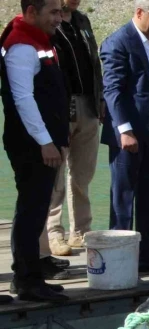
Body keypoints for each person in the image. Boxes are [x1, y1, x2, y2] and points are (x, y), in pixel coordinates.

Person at [100, 0, 149, 274]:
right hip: (128, 135)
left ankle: (146, 253)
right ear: (139, 12)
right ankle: (120, 258)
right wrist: (124, 130)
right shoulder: (117, 42)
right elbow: (112, 90)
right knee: (123, 197)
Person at [0, 0, 69, 302]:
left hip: (42, 141)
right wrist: (45, 141)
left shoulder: (40, 41)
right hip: (31, 144)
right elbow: (23, 99)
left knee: (36, 207)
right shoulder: (23, 47)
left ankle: (29, 274)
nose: (59, 18)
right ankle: (26, 279)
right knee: (31, 208)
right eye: (53, 12)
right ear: (31, 12)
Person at [43, 0, 103, 256]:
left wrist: (100, 98)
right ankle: (54, 232)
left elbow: (94, 61)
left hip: (88, 104)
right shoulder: (50, 22)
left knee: (82, 173)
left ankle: (80, 231)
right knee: (56, 175)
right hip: (61, 107)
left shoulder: (82, 21)